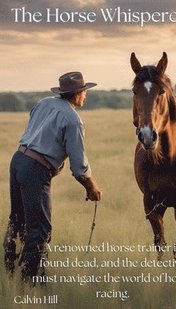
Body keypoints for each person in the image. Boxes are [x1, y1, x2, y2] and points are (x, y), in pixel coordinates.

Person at [3, 71, 102, 281]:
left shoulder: (45, 102)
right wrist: (92, 188)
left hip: (18, 160)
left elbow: (37, 131)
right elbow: (79, 166)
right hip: (35, 170)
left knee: (18, 221)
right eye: (85, 92)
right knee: (40, 230)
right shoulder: (73, 120)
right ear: (77, 94)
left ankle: (9, 272)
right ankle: (31, 283)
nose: (86, 95)